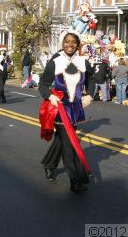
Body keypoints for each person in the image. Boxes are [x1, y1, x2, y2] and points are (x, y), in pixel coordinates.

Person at [39, 30, 94, 193]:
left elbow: (91, 80)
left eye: (73, 42)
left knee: (61, 140)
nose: (70, 45)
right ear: (62, 43)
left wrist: (89, 94)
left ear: (78, 45)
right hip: (60, 107)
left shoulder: (83, 61)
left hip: (76, 108)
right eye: (67, 42)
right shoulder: (55, 61)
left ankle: (49, 164)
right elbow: (43, 84)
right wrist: (50, 96)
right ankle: (76, 179)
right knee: (69, 141)